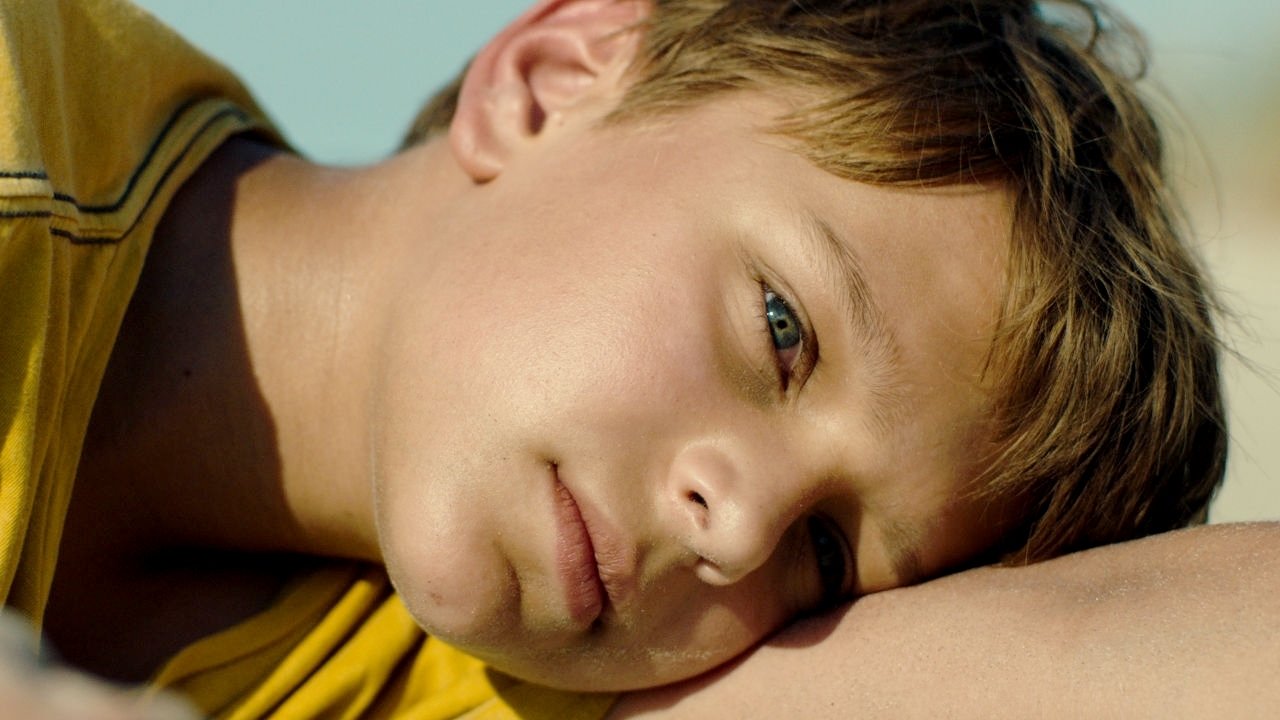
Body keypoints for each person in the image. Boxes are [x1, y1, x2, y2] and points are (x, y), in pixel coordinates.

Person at [1, 0, 1272, 718]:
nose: (739, 531)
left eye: (825, 557)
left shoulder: (480, 684)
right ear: (551, 78)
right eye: (782, 330)